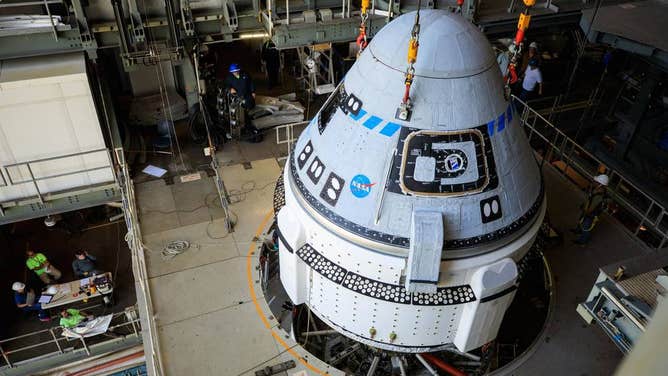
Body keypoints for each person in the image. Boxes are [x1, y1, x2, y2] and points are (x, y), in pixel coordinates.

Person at [573, 174, 610, 245]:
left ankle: (582, 242)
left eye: (596, 181)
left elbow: (592, 207)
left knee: (586, 228)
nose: (594, 182)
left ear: (600, 184)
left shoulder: (599, 195)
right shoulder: (597, 190)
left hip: (590, 215)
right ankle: (578, 231)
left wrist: (585, 212)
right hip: (588, 212)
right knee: (583, 223)